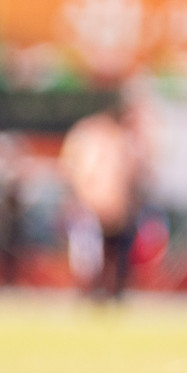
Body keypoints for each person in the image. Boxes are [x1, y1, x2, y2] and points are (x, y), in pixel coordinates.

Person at [60, 102, 142, 299]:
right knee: (92, 253)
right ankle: (99, 290)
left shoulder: (104, 136)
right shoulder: (108, 136)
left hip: (107, 204)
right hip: (97, 203)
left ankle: (105, 290)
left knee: (105, 251)